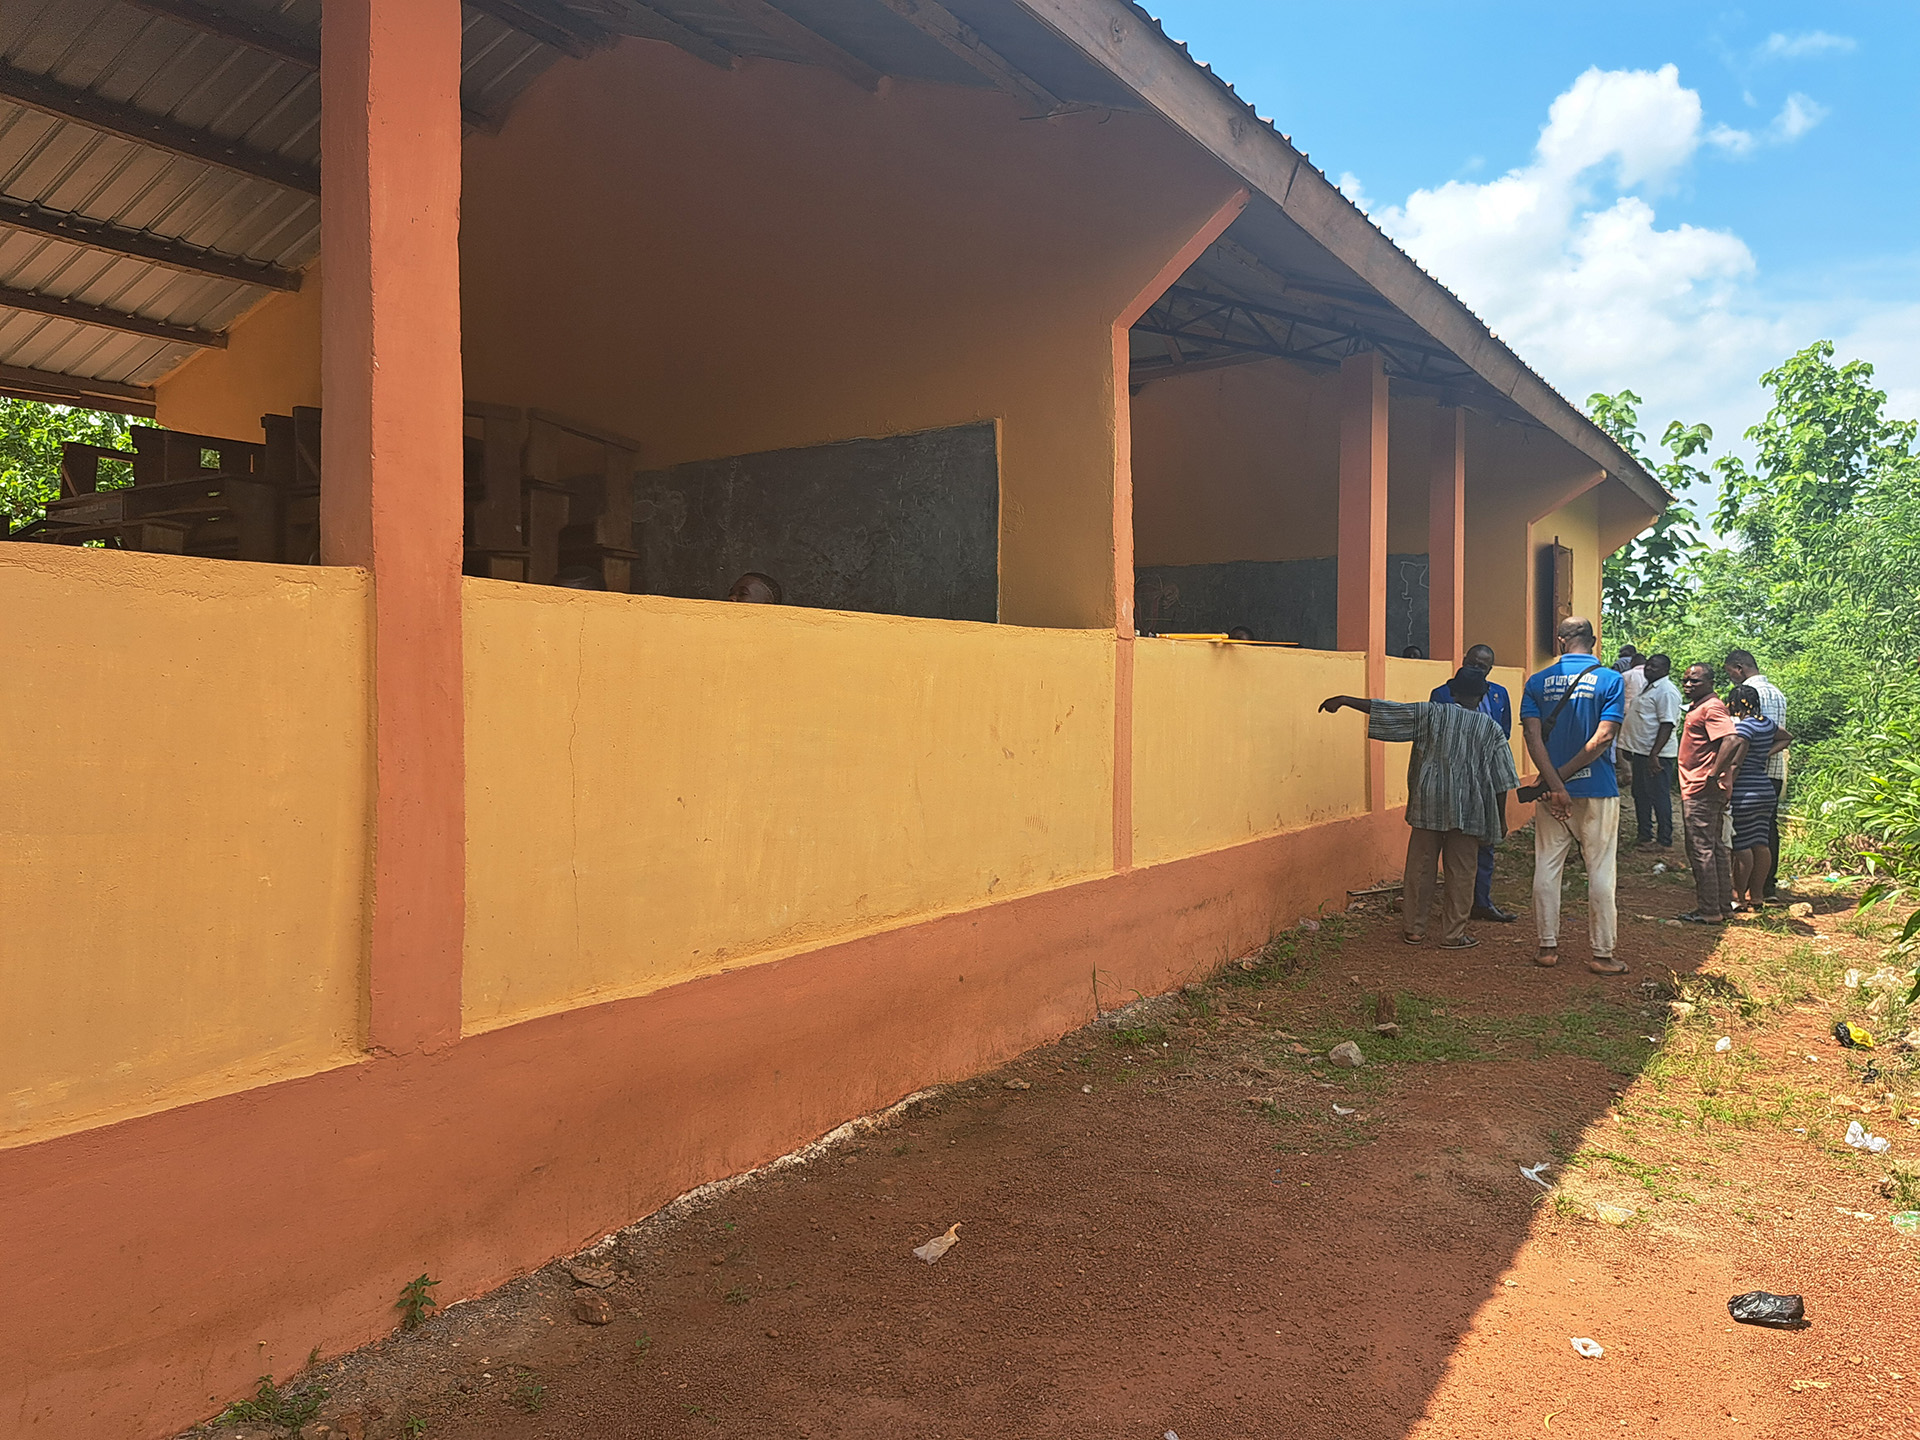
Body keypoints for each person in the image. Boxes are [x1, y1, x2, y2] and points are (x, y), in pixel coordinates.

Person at [1319, 683, 1518, 950]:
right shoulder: (1491, 729)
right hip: (1469, 808)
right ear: (1481, 697)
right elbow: (1501, 780)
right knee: (1462, 872)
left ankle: (1414, 929)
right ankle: (1454, 934)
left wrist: (1344, 699)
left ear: (1454, 692)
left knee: (1420, 866)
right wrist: (1501, 819)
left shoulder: (1431, 714)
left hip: (1429, 804)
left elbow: (1388, 709)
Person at [1521, 616, 1627, 974]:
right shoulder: (1611, 680)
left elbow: (1533, 739)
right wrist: (1565, 781)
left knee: (1547, 867)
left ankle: (1547, 948)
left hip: (1551, 792)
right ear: (1593, 640)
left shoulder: (1537, 682)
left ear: (1560, 640)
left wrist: (1554, 785)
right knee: (1600, 869)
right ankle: (1602, 954)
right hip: (1597, 788)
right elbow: (1602, 739)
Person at [1429, 643, 1516, 923]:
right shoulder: (1442, 693)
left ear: (1490, 668)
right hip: (1454, 778)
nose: (1478, 668)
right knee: (1453, 843)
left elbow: (1504, 733)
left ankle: (1481, 901)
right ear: (1464, 660)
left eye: (1484, 665)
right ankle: (1454, 906)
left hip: (1488, 778)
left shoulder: (1500, 694)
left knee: (1485, 840)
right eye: (1473, 663)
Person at [1711, 684, 1793, 914]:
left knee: (1741, 845)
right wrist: (1765, 752)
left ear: (1734, 704)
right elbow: (1787, 737)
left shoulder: (1743, 728)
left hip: (1744, 790)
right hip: (1764, 788)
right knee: (1761, 843)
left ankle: (1739, 896)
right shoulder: (1765, 723)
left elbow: (1736, 761)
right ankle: (1757, 895)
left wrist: (1724, 784)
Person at [1723, 650, 1789, 897]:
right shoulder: (1777, 693)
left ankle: (1740, 891)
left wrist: (1734, 766)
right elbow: (1783, 734)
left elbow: (1739, 747)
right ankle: (1764, 889)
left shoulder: (1747, 697)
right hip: (1771, 773)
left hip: (1746, 779)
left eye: (1730, 672)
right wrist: (1765, 752)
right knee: (1766, 833)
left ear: (1739, 668)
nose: (1731, 679)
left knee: (1740, 838)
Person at [1675, 663, 1736, 924]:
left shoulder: (1711, 707)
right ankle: (1722, 906)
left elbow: (1732, 739)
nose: (1688, 685)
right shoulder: (1700, 707)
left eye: (1695, 681)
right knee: (1714, 847)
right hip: (1701, 786)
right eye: (1686, 681)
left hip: (1701, 788)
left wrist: (1713, 775)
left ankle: (1710, 910)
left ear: (1710, 682)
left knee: (1701, 848)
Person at [1619, 653, 1680, 851]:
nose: (1649, 669)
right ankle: (1644, 835)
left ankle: (1664, 840)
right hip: (1641, 752)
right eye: (1648, 666)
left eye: (1655, 666)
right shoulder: (1649, 687)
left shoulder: (1666, 691)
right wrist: (1629, 747)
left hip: (1657, 755)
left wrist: (1654, 754)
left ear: (1666, 670)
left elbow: (1667, 724)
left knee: (1658, 795)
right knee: (1640, 793)